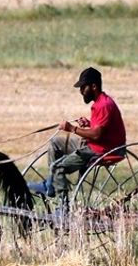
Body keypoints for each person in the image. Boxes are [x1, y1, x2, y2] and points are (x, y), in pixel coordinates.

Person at [28, 66, 127, 202]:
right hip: (98, 144)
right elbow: (101, 128)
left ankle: (63, 206)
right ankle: (50, 186)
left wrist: (71, 128)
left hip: (102, 150)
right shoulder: (100, 102)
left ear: (93, 86)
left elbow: (97, 135)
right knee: (55, 143)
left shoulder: (104, 105)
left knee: (58, 167)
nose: (81, 91)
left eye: (83, 87)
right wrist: (88, 124)